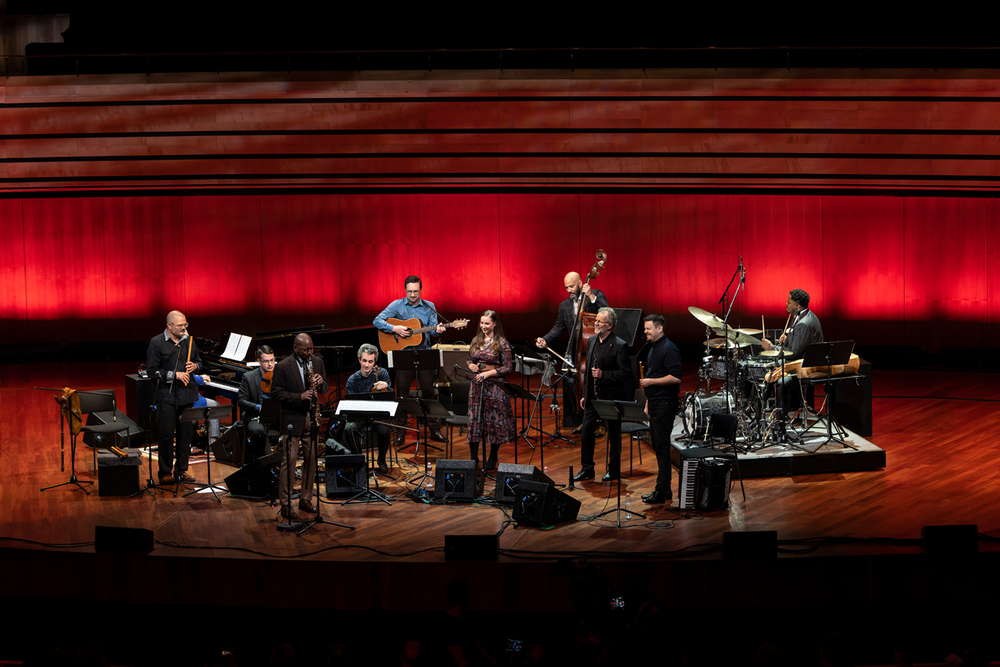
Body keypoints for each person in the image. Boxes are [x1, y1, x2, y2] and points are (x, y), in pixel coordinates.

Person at [373, 275, 448, 445]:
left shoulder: (430, 307)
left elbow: (433, 333)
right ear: (405, 290)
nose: (412, 295)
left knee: (429, 392)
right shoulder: (396, 305)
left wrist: (439, 331)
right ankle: (401, 432)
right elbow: (376, 320)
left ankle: (435, 431)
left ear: (420, 290)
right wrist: (395, 328)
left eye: (415, 291)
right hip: (403, 354)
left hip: (424, 353)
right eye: (409, 292)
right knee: (402, 393)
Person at [535, 272, 609, 430]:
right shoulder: (564, 305)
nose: (569, 290)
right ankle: (585, 420)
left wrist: (590, 296)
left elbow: (607, 312)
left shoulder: (595, 294)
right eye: (566, 287)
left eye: (572, 286)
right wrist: (545, 339)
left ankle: (603, 422)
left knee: (598, 385)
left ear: (581, 283)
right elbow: (559, 327)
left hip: (597, 348)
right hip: (577, 351)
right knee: (579, 386)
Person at [270, 333, 328, 521]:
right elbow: (276, 393)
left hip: (312, 418)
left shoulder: (317, 362)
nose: (309, 352)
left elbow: (325, 387)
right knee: (290, 461)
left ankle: (305, 498)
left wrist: (321, 384)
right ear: (295, 348)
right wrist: (299, 397)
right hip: (292, 419)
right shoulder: (283, 366)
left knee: (311, 460)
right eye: (305, 350)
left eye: (311, 348)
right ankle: (286, 504)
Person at [572, 307, 632, 482]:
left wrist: (604, 374)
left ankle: (613, 471)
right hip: (592, 397)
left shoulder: (620, 345)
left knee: (613, 435)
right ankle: (587, 469)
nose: (596, 324)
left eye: (600, 321)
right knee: (586, 432)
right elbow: (588, 372)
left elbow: (626, 373)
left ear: (610, 325)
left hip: (610, 398)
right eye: (596, 320)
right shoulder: (591, 341)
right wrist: (585, 394)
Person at [146, 310, 202, 484]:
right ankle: (165, 472)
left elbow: (200, 362)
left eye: (185, 325)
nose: (184, 328)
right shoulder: (156, 343)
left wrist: (196, 367)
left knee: (186, 435)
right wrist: (174, 375)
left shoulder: (190, 341)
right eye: (180, 326)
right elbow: (151, 371)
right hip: (167, 395)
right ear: (169, 325)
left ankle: (182, 470)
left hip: (187, 394)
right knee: (166, 435)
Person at [638, 314, 682, 504]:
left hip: (665, 404)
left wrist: (650, 382)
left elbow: (676, 377)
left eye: (648, 328)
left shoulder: (668, 348)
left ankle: (662, 491)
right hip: (655, 402)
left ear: (659, 328)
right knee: (659, 446)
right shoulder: (653, 348)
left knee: (662, 447)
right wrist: (648, 400)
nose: (645, 331)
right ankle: (664, 491)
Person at [466, 310, 515, 471]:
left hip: (494, 386)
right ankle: (473, 457)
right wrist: (471, 365)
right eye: (481, 323)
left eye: (487, 323)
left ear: (494, 323)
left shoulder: (501, 343)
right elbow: (469, 359)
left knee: (494, 421)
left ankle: (493, 456)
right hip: (477, 385)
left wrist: (487, 374)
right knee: (475, 419)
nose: (483, 326)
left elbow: (508, 366)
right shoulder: (476, 340)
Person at [761, 288, 823, 413]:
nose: (786, 304)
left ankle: (779, 417)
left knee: (772, 375)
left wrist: (772, 348)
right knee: (770, 371)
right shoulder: (801, 316)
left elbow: (794, 353)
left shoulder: (803, 324)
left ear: (797, 305)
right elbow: (797, 342)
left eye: (789, 302)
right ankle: (768, 410)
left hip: (804, 366)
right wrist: (787, 339)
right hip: (800, 360)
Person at [344, 343, 393, 473]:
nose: (367, 365)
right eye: (364, 361)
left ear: (374, 362)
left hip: (378, 414)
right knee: (349, 428)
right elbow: (350, 404)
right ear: (359, 360)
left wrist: (386, 387)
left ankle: (381, 460)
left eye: (370, 361)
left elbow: (391, 397)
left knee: (385, 431)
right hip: (360, 416)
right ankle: (360, 460)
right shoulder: (352, 380)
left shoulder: (382, 374)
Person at [237, 344, 277, 462]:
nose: (270, 364)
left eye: (272, 360)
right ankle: (263, 462)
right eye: (266, 361)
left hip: (276, 416)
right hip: (256, 415)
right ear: (259, 361)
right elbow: (241, 401)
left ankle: (283, 463)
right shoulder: (248, 377)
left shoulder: (280, 375)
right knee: (257, 430)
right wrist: (258, 407)